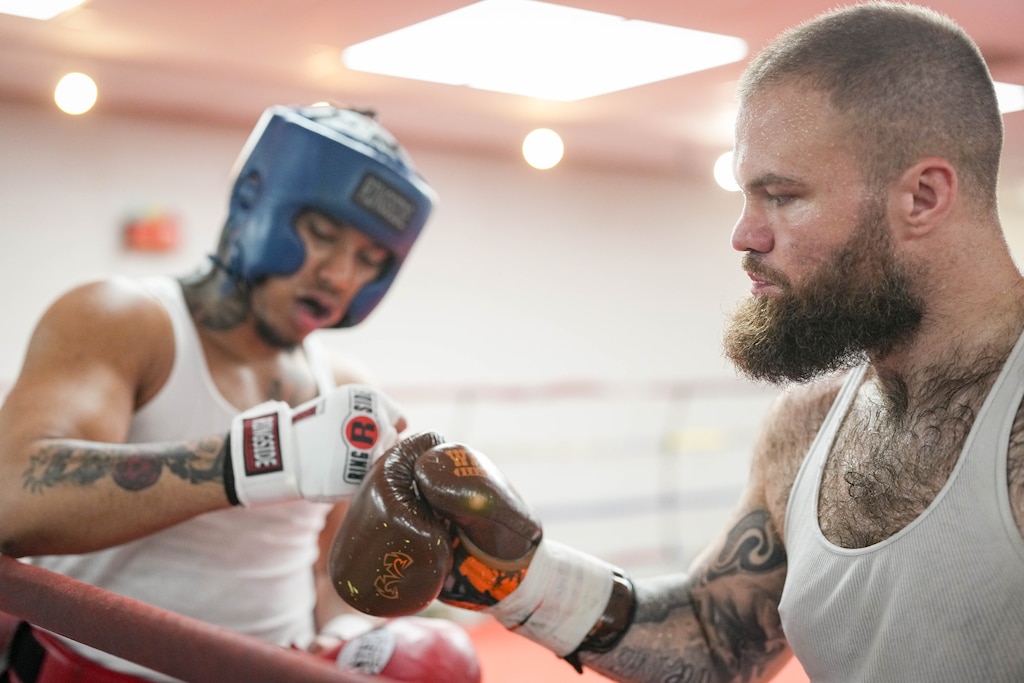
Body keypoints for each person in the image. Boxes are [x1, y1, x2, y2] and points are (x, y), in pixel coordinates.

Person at [329, 3, 1024, 682]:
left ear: (923, 197)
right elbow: (712, 639)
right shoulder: (807, 430)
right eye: (747, 196)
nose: (745, 235)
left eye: (781, 196)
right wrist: (506, 574)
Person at [0, 105, 480, 682]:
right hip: (89, 668)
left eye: (369, 259)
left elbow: (332, 573)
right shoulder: (128, 321)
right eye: (323, 235)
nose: (339, 275)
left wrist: (345, 636)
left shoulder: (348, 391)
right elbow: (12, 500)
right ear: (257, 200)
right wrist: (265, 456)